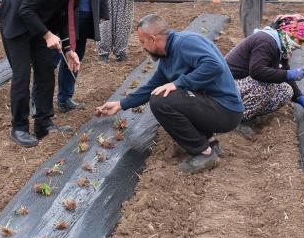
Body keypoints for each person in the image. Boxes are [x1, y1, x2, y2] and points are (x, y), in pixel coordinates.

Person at [95, 14, 244, 173]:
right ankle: (210, 143)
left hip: (226, 111)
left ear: (152, 39)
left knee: (161, 101)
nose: (143, 47)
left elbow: (214, 66)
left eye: (142, 42)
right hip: (214, 108)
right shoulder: (167, 56)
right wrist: (120, 104)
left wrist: (177, 83)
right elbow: (151, 86)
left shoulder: (185, 43)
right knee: (163, 94)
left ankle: (204, 153)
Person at [0, 0, 110, 147]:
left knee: (46, 71)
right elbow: (26, 9)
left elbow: (64, 15)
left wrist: (68, 48)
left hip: (38, 26)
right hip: (16, 25)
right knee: (22, 75)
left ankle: (43, 123)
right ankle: (19, 128)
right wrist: (48, 35)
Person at [225, 14, 304, 133]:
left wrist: (300, 98)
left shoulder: (280, 46)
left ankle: (249, 112)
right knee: (263, 86)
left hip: (242, 83)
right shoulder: (265, 41)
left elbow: (284, 71)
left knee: (286, 91)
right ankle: (235, 119)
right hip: (227, 84)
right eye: (299, 40)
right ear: (288, 34)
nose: (299, 45)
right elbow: (257, 71)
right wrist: (289, 74)